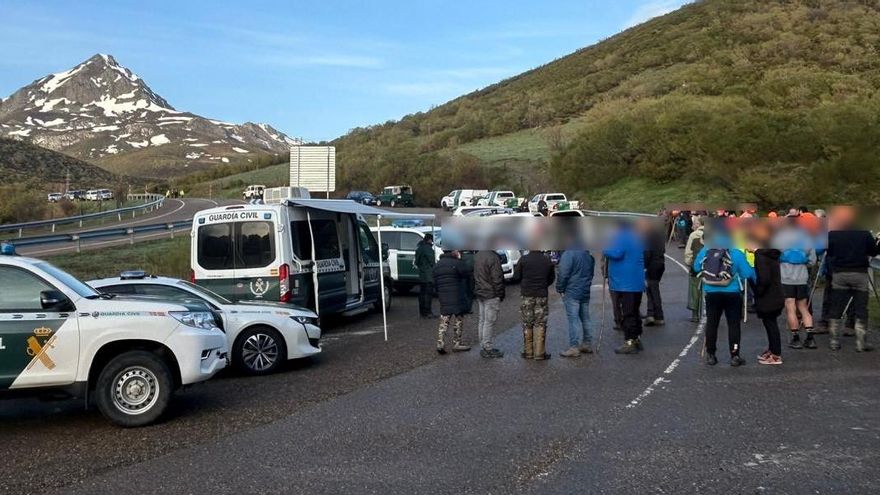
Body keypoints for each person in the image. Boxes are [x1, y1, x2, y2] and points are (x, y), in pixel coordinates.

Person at [693, 225, 756, 366]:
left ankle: (711, 354)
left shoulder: (707, 250)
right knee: (733, 324)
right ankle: (735, 355)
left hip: (711, 292)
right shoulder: (735, 252)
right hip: (732, 293)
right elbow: (747, 273)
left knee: (712, 323)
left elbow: (696, 267)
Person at [825, 207, 880, 352]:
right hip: (859, 273)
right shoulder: (864, 233)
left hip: (840, 274)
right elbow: (874, 251)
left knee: (837, 306)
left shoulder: (833, 234)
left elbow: (829, 252)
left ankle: (834, 341)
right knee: (861, 308)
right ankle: (861, 343)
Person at [604, 221, 646, 354]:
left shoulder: (622, 236)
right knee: (634, 311)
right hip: (636, 281)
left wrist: (604, 249)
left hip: (625, 281)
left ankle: (630, 341)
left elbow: (617, 253)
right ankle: (637, 338)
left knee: (627, 312)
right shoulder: (636, 237)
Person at [774, 219, 817, 349]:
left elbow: (774, 258)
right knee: (803, 308)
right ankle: (810, 338)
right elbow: (812, 261)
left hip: (786, 278)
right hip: (802, 278)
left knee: (790, 308)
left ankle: (796, 338)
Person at [514, 250, 556, 360]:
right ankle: (539, 353)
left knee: (527, 322)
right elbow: (551, 278)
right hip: (541, 294)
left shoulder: (523, 259)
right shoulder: (547, 261)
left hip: (527, 294)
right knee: (540, 323)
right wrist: (543, 284)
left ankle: (528, 352)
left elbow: (516, 276)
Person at [555, 245, 595, 357]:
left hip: (572, 291)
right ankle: (587, 343)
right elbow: (591, 273)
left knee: (573, 320)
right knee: (585, 318)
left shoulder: (569, 253)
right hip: (584, 290)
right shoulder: (587, 253)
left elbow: (563, 273)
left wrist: (560, 288)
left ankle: (574, 347)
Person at [432, 250, 472, 354]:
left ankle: (440, 342)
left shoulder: (437, 265)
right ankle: (456, 343)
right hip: (457, 295)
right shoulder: (457, 263)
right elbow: (467, 273)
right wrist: (460, 259)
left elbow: (434, 282)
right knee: (458, 319)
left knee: (444, 319)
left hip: (443, 295)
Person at [754, 247, 785, 365]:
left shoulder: (760, 256)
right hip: (776, 293)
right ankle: (773, 350)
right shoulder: (770, 254)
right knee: (771, 323)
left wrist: (758, 291)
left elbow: (764, 278)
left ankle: (776, 354)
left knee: (770, 324)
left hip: (768, 296)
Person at [474, 250, 505, 358]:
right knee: (489, 321)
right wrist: (500, 294)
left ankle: (483, 345)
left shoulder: (478, 255)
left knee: (482, 320)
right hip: (490, 293)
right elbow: (497, 278)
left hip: (480, 291)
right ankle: (487, 347)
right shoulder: (493, 257)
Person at [642, 218, 666, 326]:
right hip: (660, 263)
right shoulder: (659, 235)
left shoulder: (648, 236)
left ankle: (657, 315)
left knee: (652, 290)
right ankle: (651, 314)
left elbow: (647, 253)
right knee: (653, 288)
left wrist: (644, 266)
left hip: (651, 265)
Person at [684, 216, 705, 322]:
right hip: (710, 267)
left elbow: (689, 252)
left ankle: (695, 314)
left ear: (699, 224)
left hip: (696, 266)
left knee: (694, 289)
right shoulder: (714, 234)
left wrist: (688, 263)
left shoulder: (694, 235)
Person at [415, 234, 437, 319]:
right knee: (428, 294)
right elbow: (432, 261)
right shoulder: (428, 248)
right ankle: (428, 312)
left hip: (422, 274)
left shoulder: (419, 248)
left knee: (422, 294)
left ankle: (422, 312)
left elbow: (416, 262)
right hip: (429, 275)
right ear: (430, 240)